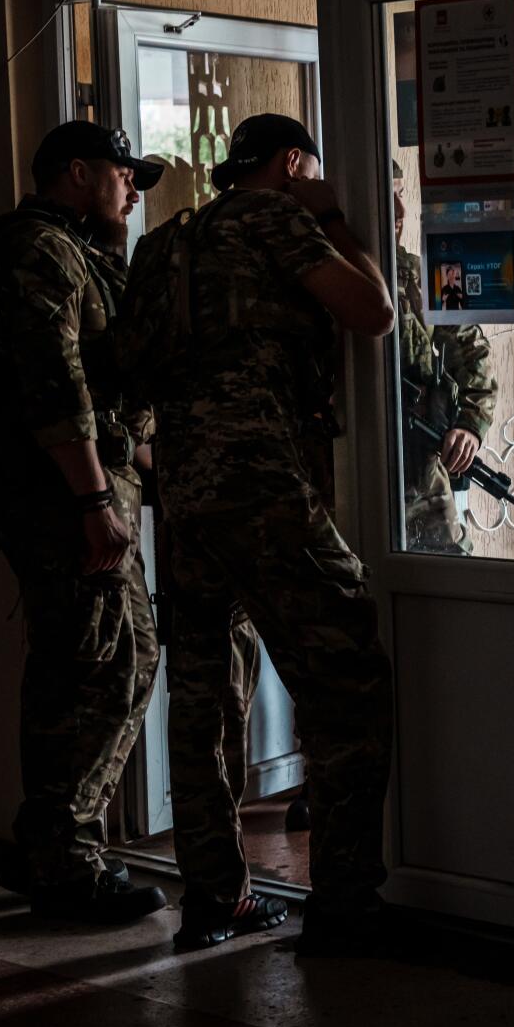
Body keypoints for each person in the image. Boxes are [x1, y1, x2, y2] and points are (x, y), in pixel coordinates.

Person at [118, 113, 397, 953]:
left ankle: (215, 899)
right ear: (292, 162)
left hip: (184, 493)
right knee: (346, 682)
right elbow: (373, 311)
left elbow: (130, 368)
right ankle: (346, 905)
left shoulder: (161, 245)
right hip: (263, 485)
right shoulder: (277, 215)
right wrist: (335, 216)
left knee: (201, 696)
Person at [0, 120, 170, 924]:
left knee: (103, 659)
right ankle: (64, 864)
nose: (134, 190)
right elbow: (57, 381)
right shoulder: (36, 251)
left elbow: (112, 384)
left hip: (83, 485)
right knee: (99, 665)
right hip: (64, 496)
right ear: (78, 173)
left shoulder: (73, 250)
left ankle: (49, 846)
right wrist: (92, 501)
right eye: (125, 174)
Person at [393, 162, 497, 554]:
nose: (400, 212)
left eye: (401, 195)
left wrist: (470, 425)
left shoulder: (416, 276)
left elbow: (473, 351)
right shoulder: (329, 276)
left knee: (456, 572)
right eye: (389, 197)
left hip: (420, 472)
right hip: (347, 474)